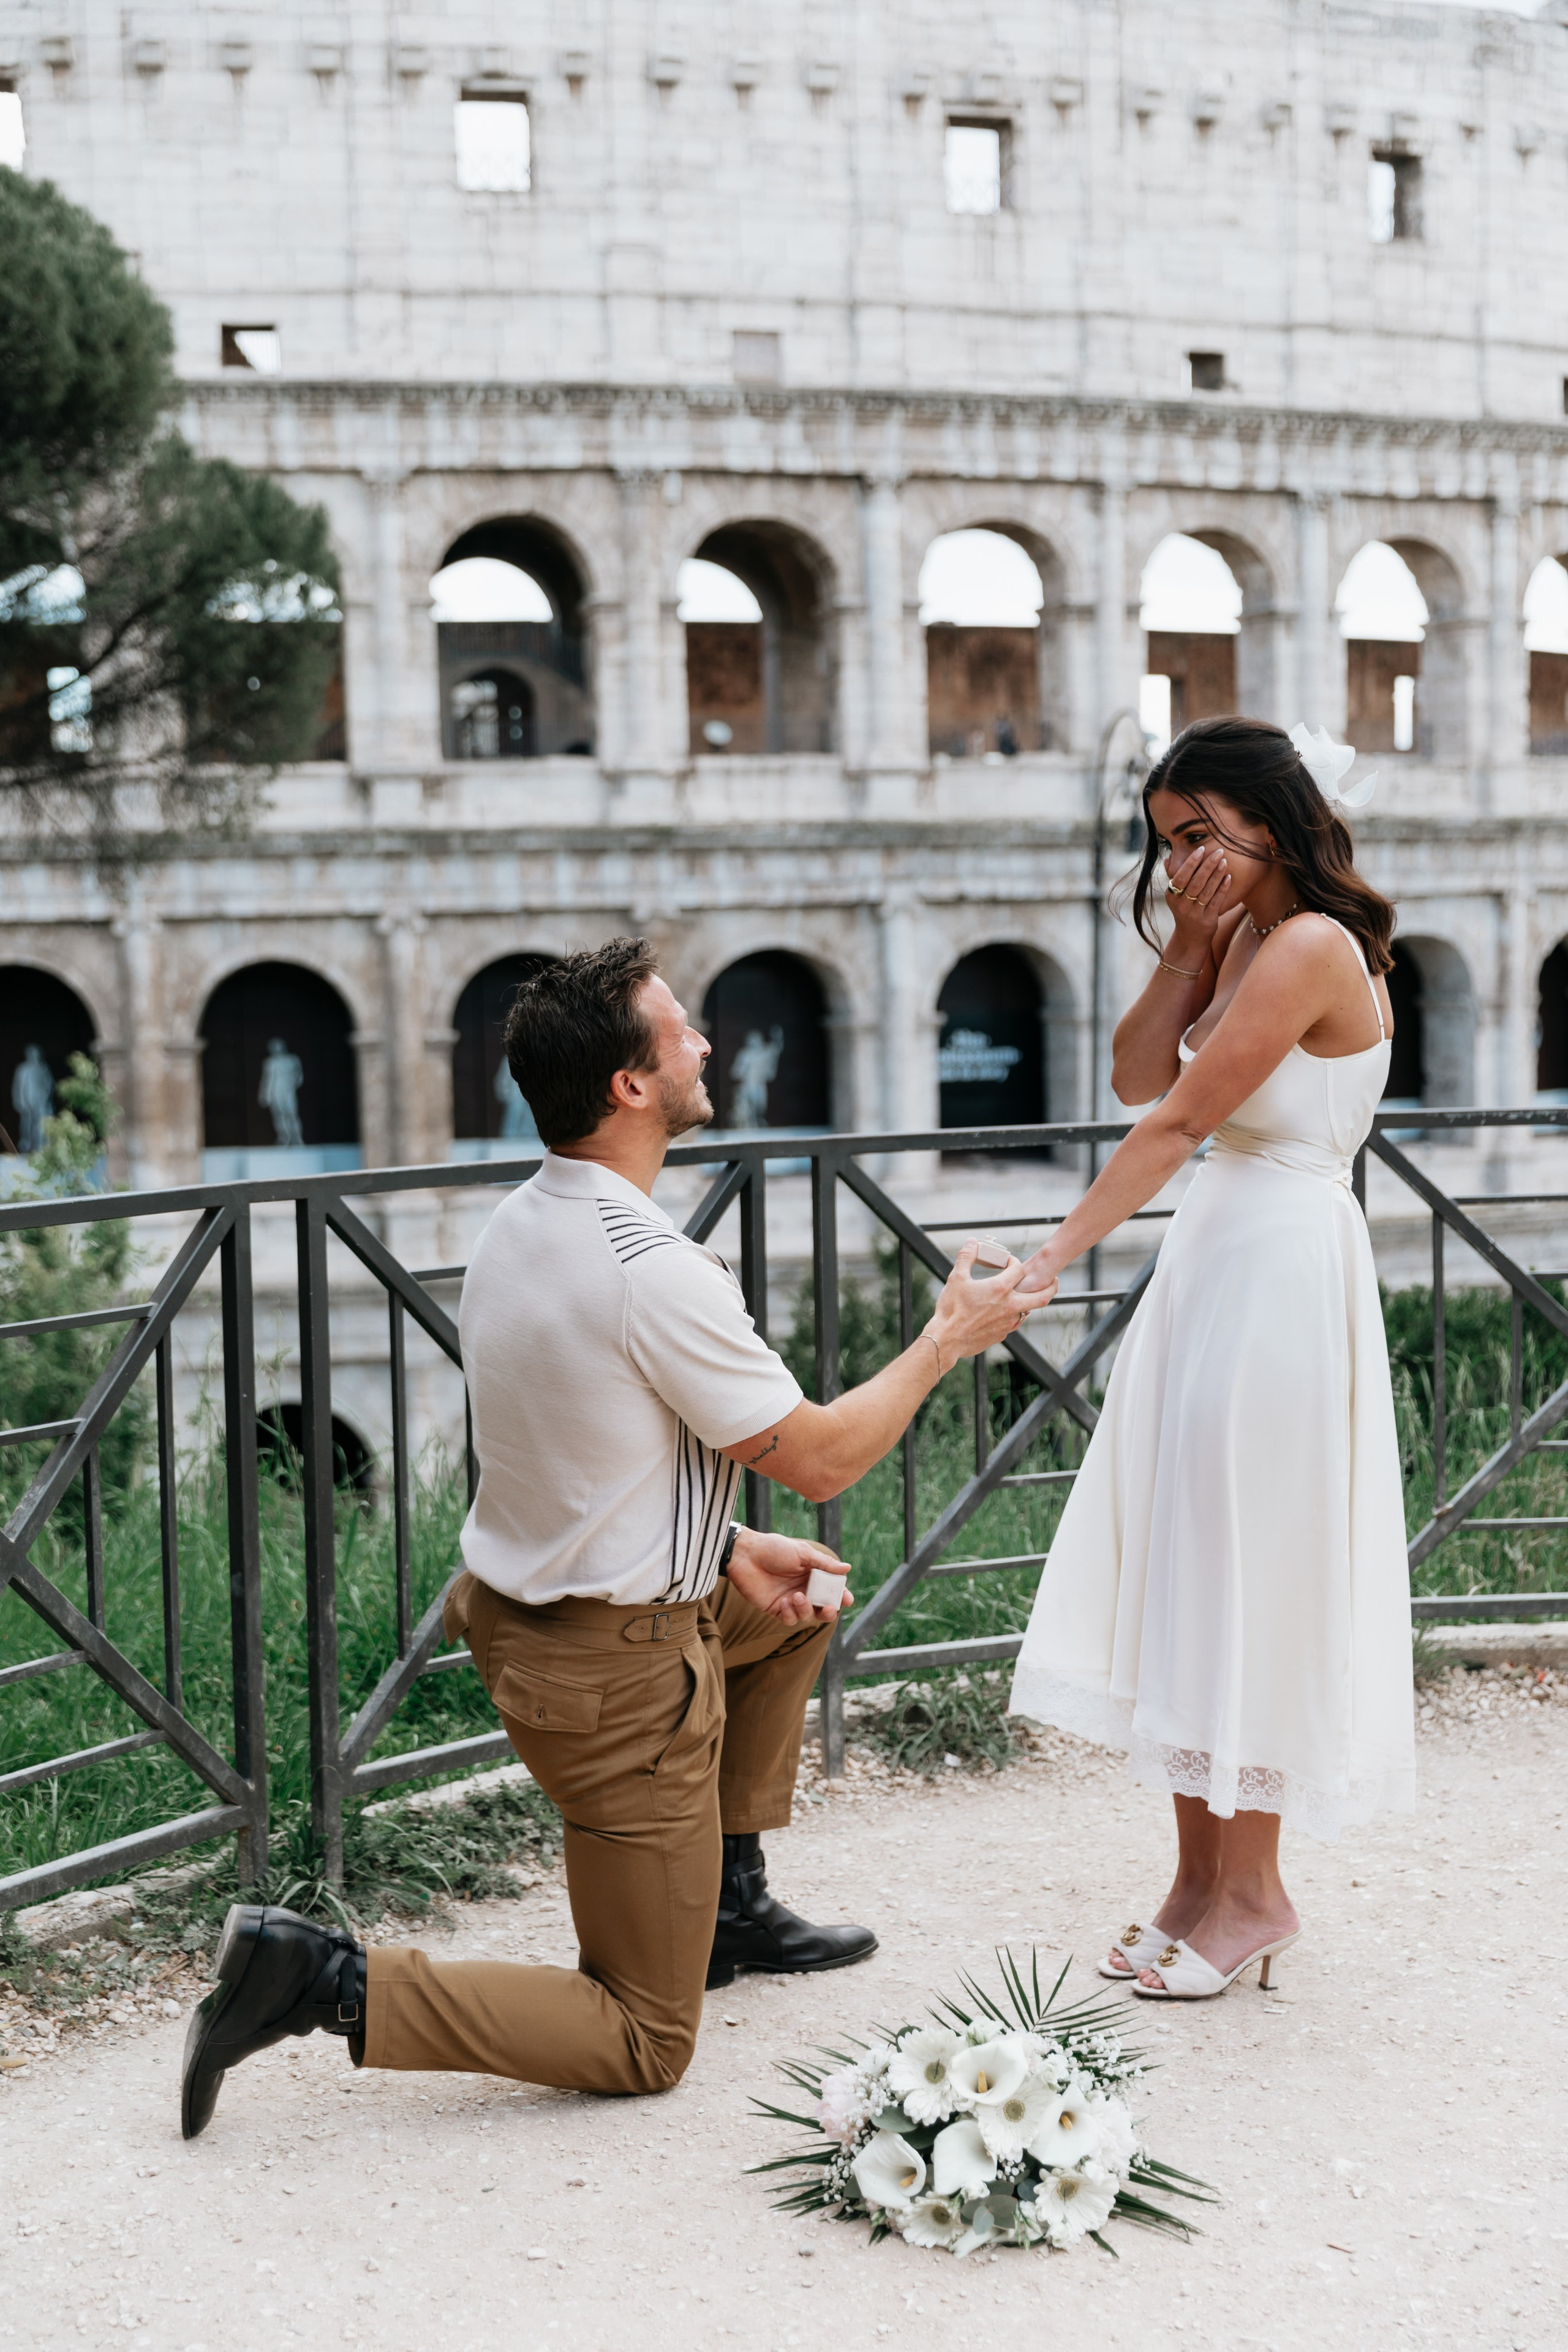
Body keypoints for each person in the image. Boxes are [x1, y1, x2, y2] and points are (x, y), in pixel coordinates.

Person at [183, 937, 1028, 2135]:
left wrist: (727, 1545)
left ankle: (726, 1908)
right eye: (681, 1028)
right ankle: (321, 1978)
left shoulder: (524, 1224)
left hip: (525, 1616)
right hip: (614, 1676)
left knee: (796, 1608)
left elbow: (580, 1455)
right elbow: (828, 1453)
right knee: (643, 2035)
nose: (706, 1043)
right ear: (630, 1086)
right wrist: (947, 1335)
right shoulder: (652, 1270)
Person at [1009, 717, 1416, 2001]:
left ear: (1265, 816)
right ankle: (1195, 1886)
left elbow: (1187, 1118)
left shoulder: (1308, 944)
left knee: (1255, 1568)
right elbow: (1140, 1074)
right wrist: (1187, 943)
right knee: (1192, 1560)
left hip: (1283, 1265)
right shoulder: (1238, 935)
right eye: (1164, 843)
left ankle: (1255, 1894)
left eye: (1197, 836)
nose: (1179, 860)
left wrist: (1052, 1256)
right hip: (1212, 1263)